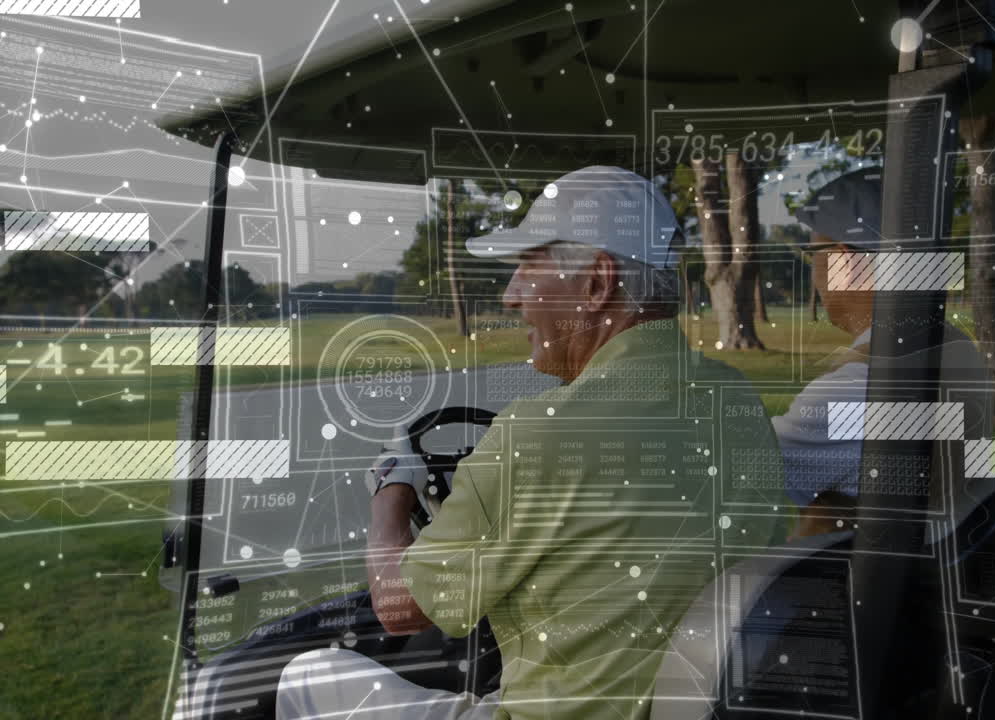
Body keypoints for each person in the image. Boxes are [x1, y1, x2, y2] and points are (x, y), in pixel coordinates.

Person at [275, 166, 793, 719]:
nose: (511, 294)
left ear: (596, 284)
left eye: (528, 266)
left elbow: (400, 607)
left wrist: (390, 491)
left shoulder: (539, 433)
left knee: (306, 676)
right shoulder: (736, 401)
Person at [776, 167, 995, 538]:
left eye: (814, 254)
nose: (812, 272)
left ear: (845, 262)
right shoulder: (955, 349)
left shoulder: (858, 386)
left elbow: (738, 468)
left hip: (874, 588)